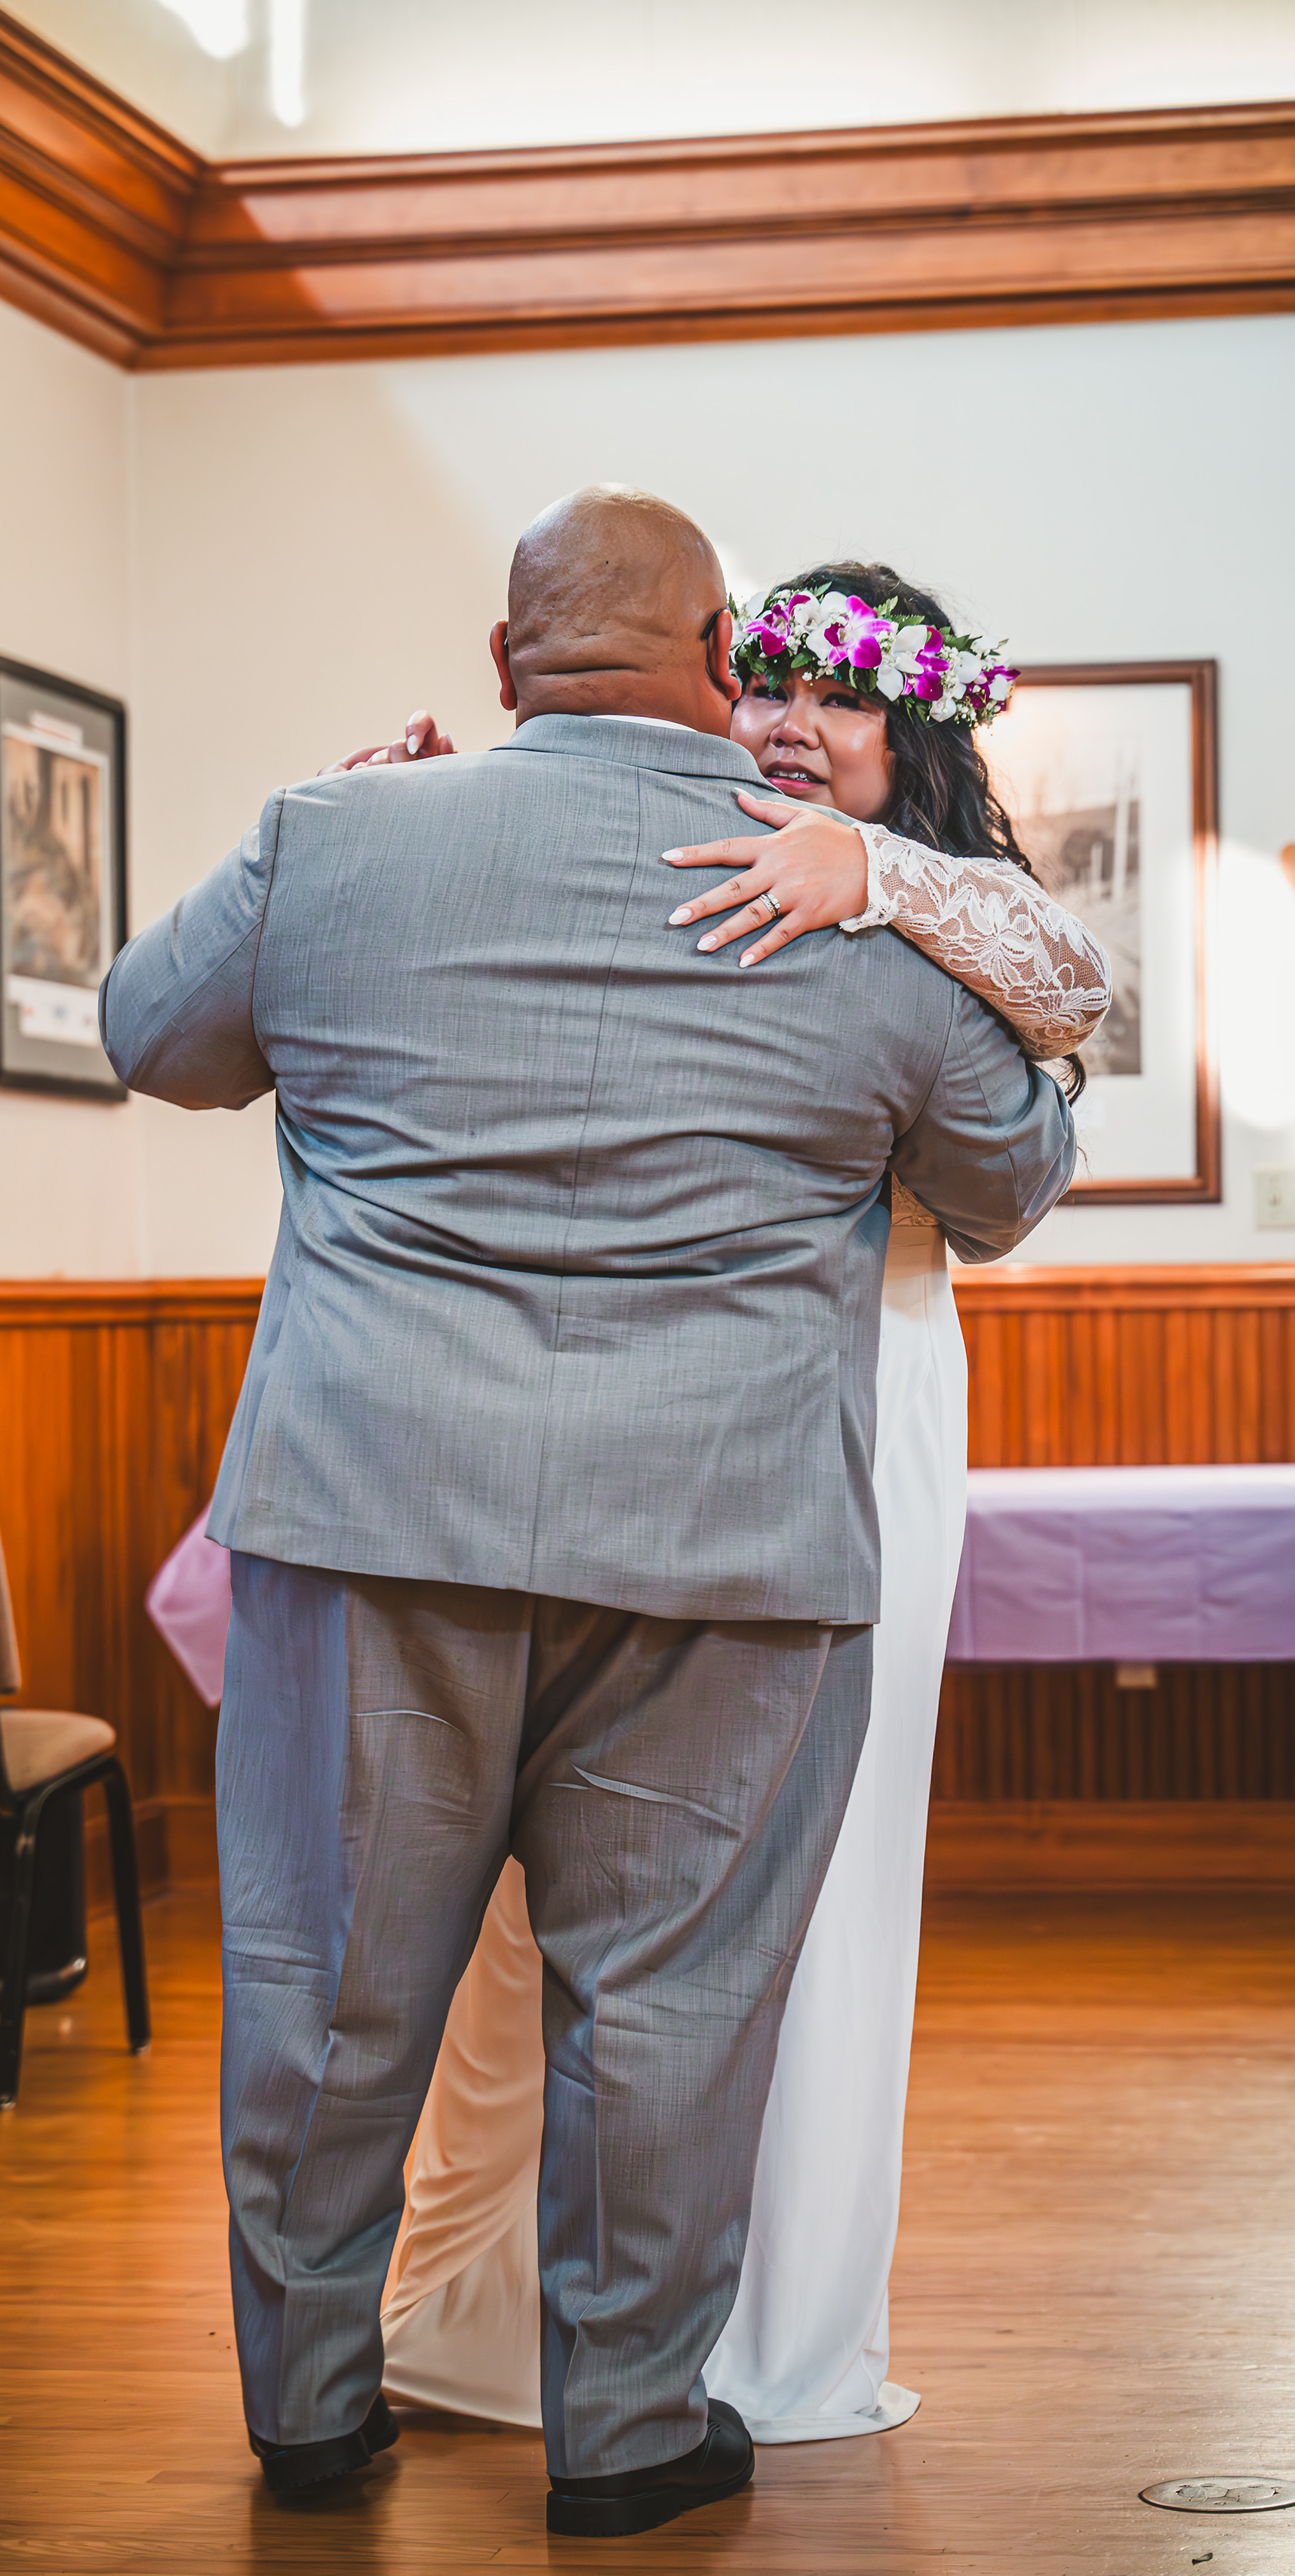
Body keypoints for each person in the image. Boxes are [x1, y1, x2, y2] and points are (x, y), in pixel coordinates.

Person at [100, 491, 1075, 2541]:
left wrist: (322, 837)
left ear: (498, 658)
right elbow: (1004, 1183)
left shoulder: (334, 835)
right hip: (727, 1553)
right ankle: (627, 2428)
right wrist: (906, 901)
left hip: (374, 1521)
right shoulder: (840, 909)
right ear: (726, 657)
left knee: (331, 1982)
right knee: (672, 2002)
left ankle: (309, 2405)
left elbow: (145, 1037)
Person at [358, 566, 1111, 2442]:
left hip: (858, 1419)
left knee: (819, 1860)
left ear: (909, 737)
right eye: (758, 682)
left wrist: (891, 885)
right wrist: (409, 825)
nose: (784, 722)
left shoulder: (928, 909)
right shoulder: (659, 857)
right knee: (547, 1889)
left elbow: (1072, 1005)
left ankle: (760, 2332)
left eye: (835, 701)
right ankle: (502, 2317)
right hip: (599, 1428)